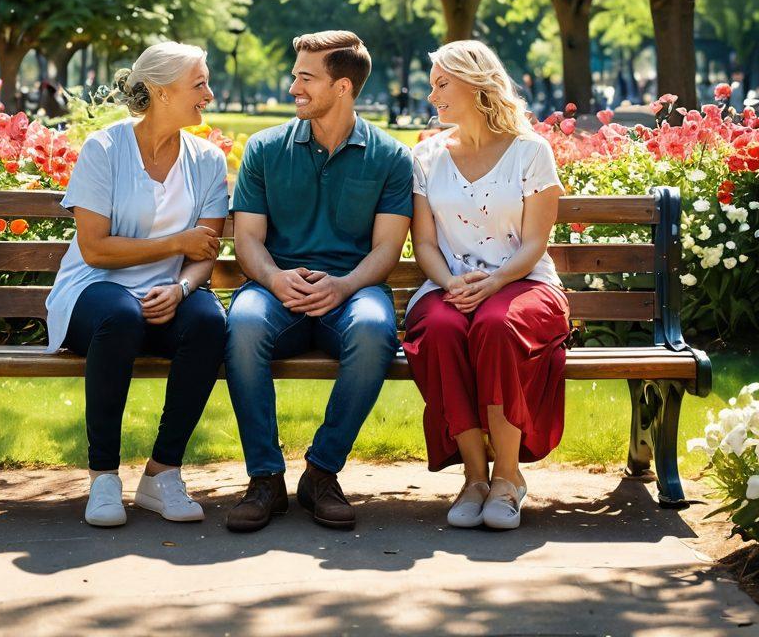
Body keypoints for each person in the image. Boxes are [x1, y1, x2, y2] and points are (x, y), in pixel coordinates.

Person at [225, 31, 413, 532]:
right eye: (295, 77)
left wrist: (344, 286)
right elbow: (247, 240)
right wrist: (273, 277)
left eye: (306, 78)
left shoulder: (391, 157)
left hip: (352, 292)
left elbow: (387, 250)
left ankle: (321, 473)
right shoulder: (264, 149)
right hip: (274, 290)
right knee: (241, 325)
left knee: (375, 330)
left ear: (343, 87)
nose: (294, 89)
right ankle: (265, 478)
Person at [44, 42, 230, 528]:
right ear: (162, 91)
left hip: (169, 295)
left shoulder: (208, 160)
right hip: (95, 291)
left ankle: (162, 473)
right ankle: (103, 475)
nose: (209, 93)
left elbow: (203, 253)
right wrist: (177, 244)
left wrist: (183, 290)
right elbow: (96, 249)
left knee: (210, 321)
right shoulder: (104, 149)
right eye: (199, 84)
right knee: (119, 314)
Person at [403, 39, 569, 532]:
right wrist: (453, 282)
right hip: (449, 285)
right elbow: (425, 244)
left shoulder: (530, 152)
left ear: (476, 85)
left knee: (497, 324)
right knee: (439, 329)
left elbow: (535, 242)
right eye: (432, 85)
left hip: (523, 283)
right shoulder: (427, 156)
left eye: (441, 84)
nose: (432, 96)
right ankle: (474, 478)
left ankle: (508, 478)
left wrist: (495, 280)